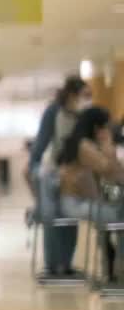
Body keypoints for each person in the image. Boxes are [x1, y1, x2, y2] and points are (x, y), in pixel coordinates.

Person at [54, 106, 124, 280]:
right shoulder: (84, 146)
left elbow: (113, 174)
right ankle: (116, 268)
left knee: (113, 216)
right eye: (105, 126)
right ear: (96, 127)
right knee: (118, 217)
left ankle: (112, 266)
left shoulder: (81, 143)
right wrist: (108, 146)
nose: (108, 130)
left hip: (75, 201)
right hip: (75, 204)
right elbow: (109, 170)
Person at [30, 76, 92, 276]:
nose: (88, 99)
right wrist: (35, 170)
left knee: (69, 218)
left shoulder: (83, 115)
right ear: (72, 94)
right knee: (52, 217)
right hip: (51, 173)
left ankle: (66, 264)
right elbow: (41, 144)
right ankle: (52, 265)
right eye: (85, 95)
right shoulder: (53, 112)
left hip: (73, 174)